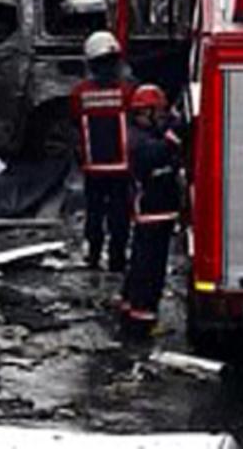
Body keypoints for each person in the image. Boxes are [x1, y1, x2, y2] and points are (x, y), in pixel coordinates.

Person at [120, 84, 183, 338]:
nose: (162, 116)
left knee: (140, 264)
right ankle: (142, 322)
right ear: (146, 112)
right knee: (150, 270)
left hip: (155, 211)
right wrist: (177, 131)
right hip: (151, 211)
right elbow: (158, 154)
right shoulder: (139, 140)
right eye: (158, 112)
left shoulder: (142, 132)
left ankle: (130, 307)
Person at [69, 31, 134, 272]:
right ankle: (117, 261)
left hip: (93, 168)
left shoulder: (79, 94)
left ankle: (94, 257)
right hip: (121, 167)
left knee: (94, 213)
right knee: (120, 216)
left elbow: (75, 125)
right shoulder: (127, 93)